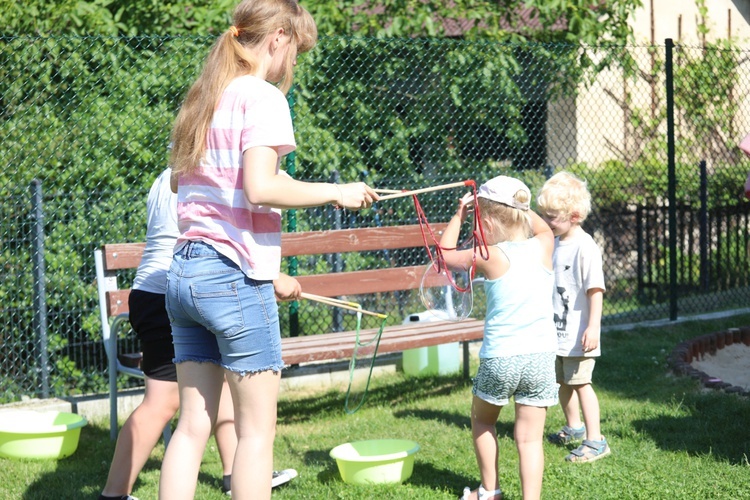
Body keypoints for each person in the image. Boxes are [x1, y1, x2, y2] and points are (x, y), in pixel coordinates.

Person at [159, 1, 378, 498]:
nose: (292, 63)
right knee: (255, 434)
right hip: (233, 276)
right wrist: (336, 192)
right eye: (295, 49)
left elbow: (180, 184)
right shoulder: (262, 97)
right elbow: (260, 187)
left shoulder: (206, 96)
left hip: (186, 271)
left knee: (193, 427)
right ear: (278, 36)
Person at [99, 167, 297, 500]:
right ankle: (114, 493)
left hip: (162, 290)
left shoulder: (172, 173)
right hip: (174, 289)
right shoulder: (210, 172)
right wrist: (273, 275)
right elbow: (222, 232)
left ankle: (235, 473)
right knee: (164, 402)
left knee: (213, 384)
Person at [440, 176, 557, 500]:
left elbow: (446, 254)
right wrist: (523, 205)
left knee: (482, 422)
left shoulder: (489, 255)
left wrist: (459, 215)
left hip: (501, 359)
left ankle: (489, 491)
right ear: (523, 213)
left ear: (487, 221)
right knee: (530, 439)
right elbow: (544, 228)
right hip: (541, 357)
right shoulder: (543, 245)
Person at [537, 171, 610, 463]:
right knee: (563, 382)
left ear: (575, 215)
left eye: (552, 216)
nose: (546, 222)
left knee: (581, 383)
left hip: (579, 333)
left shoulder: (585, 247)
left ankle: (596, 441)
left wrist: (593, 328)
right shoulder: (554, 242)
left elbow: (596, 290)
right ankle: (574, 427)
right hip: (556, 332)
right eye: (544, 215)